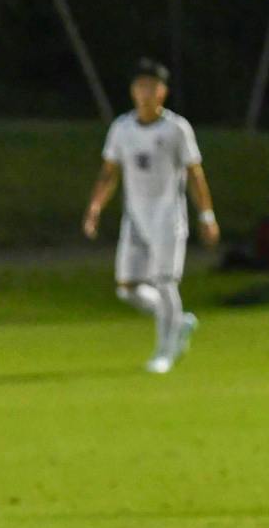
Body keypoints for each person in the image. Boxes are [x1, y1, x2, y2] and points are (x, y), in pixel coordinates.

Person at [81, 59, 220, 374]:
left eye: (151, 86)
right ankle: (178, 320)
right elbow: (109, 172)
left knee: (164, 282)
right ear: (133, 91)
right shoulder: (122, 128)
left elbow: (195, 174)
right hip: (136, 218)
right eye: (140, 86)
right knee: (127, 287)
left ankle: (165, 351)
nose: (145, 92)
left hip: (167, 216)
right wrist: (95, 207)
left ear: (163, 92)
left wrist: (207, 215)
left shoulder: (176, 129)